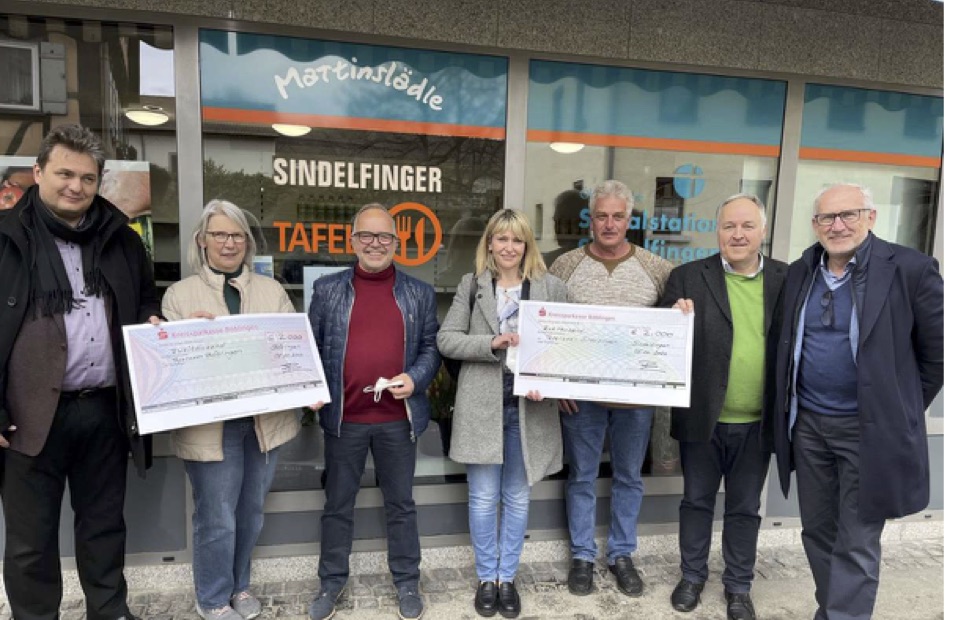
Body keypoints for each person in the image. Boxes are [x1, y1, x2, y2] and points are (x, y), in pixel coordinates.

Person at [0, 123, 160, 619]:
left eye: (87, 178)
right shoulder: (5, 240)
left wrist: (156, 321)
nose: (76, 186)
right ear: (38, 172)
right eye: (64, 173)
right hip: (27, 419)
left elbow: (145, 301)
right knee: (30, 543)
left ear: (99, 183)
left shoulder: (122, 240)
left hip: (104, 412)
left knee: (105, 528)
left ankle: (110, 613)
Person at [773, 183, 943, 620]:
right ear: (814, 225)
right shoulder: (801, 271)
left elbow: (937, 355)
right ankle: (833, 611)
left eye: (848, 214)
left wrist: (897, 407)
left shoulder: (910, 269)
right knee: (817, 532)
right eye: (827, 218)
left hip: (868, 433)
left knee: (857, 540)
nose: (838, 225)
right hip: (808, 426)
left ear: (870, 217)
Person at [161, 199, 300, 620]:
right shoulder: (178, 295)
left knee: (250, 513)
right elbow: (169, 369)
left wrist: (306, 385)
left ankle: (240, 587)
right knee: (217, 517)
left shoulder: (271, 290)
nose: (229, 242)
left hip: (263, 425)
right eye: (219, 234)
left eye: (237, 235)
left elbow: (291, 349)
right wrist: (187, 337)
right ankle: (213, 598)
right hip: (212, 428)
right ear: (202, 241)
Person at [307, 203, 440, 620]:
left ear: (397, 244)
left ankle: (406, 582)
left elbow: (431, 348)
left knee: (401, 505)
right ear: (352, 241)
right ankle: (331, 583)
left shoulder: (419, 292)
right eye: (367, 235)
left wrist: (416, 379)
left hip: (397, 422)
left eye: (384, 237)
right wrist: (311, 388)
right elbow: (309, 348)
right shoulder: (327, 290)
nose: (375, 244)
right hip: (344, 421)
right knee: (337, 505)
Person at [658, 194, 787, 620]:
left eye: (747, 226)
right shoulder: (686, 278)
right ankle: (692, 577)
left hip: (759, 420)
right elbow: (660, 341)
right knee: (696, 501)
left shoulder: (788, 280)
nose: (738, 234)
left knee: (745, 507)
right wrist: (674, 318)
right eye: (729, 225)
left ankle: (738, 586)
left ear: (762, 231)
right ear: (717, 231)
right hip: (703, 418)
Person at [437, 209, 568, 619]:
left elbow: (571, 342)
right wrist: (491, 342)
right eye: (501, 239)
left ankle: (506, 579)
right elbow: (447, 340)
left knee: (515, 496)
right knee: (481, 498)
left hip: (529, 408)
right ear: (489, 243)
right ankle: (485, 577)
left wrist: (553, 379)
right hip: (483, 407)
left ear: (527, 245)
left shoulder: (551, 287)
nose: (509, 247)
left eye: (517, 240)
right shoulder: (471, 285)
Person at [548, 179, 673, 598]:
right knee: (581, 476)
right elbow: (549, 328)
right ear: (591, 219)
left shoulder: (657, 268)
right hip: (579, 397)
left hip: (636, 400)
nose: (609, 223)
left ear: (629, 218)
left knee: (628, 477)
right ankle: (582, 556)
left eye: (618, 216)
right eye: (601, 215)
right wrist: (554, 382)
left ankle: (622, 554)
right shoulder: (564, 266)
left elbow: (671, 332)